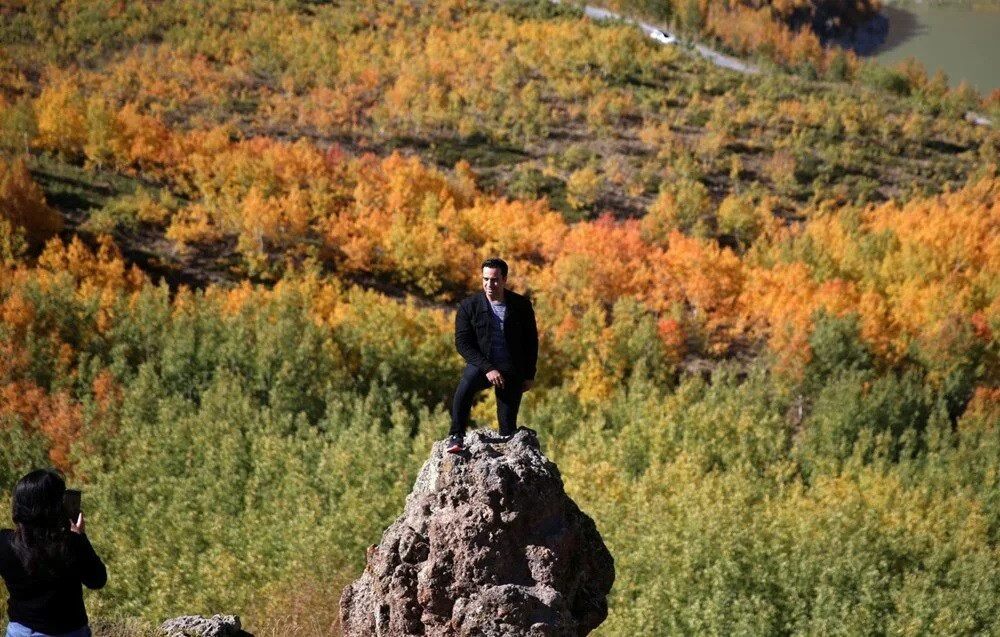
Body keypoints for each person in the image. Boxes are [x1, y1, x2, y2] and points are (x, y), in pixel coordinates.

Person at [0, 469, 107, 637]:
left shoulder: (4, 542)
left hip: (21, 632)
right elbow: (97, 580)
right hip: (69, 632)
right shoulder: (70, 542)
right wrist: (81, 537)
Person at [447, 258, 538, 453]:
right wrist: (488, 368)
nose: (490, 284)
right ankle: (456, 436)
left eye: (495, 280)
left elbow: (531, 342)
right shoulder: (468, 306)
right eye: (485, 279)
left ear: (504, 280)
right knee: (465, 385)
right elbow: (462, 344)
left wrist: (530, 374)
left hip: (512, 369)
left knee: (507, 429)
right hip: (482, 366)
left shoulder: (521, 305)